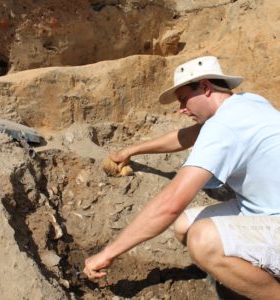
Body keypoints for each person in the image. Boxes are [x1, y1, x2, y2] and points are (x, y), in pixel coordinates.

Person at [83, 56, 280, 299]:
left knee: (202, 240)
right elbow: (187, 137)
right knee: (185, 226)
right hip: (266, 210)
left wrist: (108, 253)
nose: (181, 109)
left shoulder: (225, 126)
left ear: (206, 88)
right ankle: (253, 276)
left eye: (184, 99)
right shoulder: (247, 102)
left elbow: (171, 204)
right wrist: (131, 151)